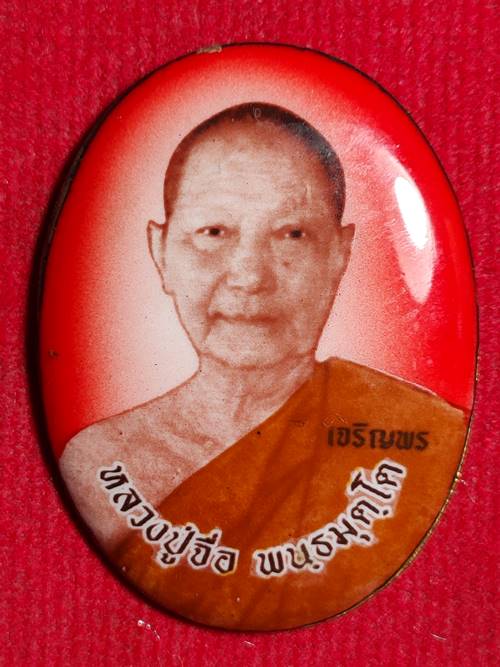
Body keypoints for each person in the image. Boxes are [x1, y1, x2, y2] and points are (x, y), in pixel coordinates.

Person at [61, 103, 467, 630]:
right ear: (161, 252)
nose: (250, 277)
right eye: (213, 232)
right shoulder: (100, 464)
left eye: (292, 234)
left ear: (340, 255)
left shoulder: (422, 437)